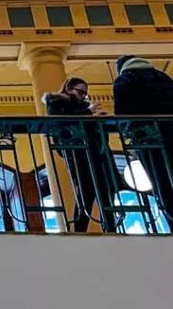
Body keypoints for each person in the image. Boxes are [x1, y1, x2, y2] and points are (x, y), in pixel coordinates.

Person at [113, 56, 173, 233]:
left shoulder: (124, 80)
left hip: (149, 140)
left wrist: (128, 132)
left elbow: (123, 114)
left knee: (164, 191)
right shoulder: (164, 77)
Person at [43, 77, 120, 233]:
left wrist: (99, 122)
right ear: (69, 89)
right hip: (79, 153)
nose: (84, 96)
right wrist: (88, 113)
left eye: (85, 93)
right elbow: (61, 125)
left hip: (97, 151)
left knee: (106, 189)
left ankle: (110, 227)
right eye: (81, 92)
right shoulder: (56, 103)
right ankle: (80, 230)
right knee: (85, 192)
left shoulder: (82, 106)